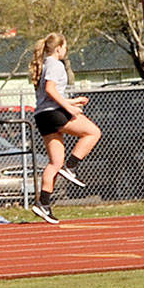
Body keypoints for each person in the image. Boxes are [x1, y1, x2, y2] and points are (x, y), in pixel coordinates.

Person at [28, 32, 101, 223]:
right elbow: (51, 90)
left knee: (54, 163)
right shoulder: (55, 64)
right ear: (59, 48)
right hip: (53, 113)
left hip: (43, 116)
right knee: (93, 132)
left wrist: (73, 100)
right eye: (65, 47)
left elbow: (48, 95)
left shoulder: (43, 65)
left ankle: (43, 203)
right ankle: (72, 166)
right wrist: (69, 107)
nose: (66, 50)